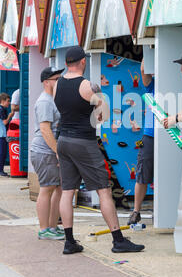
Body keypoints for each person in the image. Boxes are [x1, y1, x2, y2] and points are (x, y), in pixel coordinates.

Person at [54, 46, 145, 255]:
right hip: (83, 142)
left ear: (67, 63)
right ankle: (118, 240)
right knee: (103, 190)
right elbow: (101, 117)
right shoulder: (86, 86)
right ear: (83, 62)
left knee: (67, 192)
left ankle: (69, 242)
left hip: (63, 140)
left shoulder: (58, 84)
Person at [30, 67, 65, 241]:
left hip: (49, 151)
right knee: (47, 188)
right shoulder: (45, 101)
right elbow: (45, 129)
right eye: (56, 78)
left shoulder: (53, 100)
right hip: (44, 151)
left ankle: (52, 226)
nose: (59, 80)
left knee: (58, 189)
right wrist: (57, 151)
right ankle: (44, 229)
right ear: (46, 82)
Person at [127, 58, 154, 225]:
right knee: (142, 174)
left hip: (172, 133)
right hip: (150, 135)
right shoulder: (153, 84)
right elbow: (144, 70)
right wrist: (148, 50)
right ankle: (136, 212)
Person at [0, 93, 14, 176]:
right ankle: (0, 170)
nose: (9, 103)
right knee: (2, 153)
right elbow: (4, 122)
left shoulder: (3, 109)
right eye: (8, 101)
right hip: (1, 134)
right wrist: (10, 116)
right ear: (2, 101)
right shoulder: (1, 109)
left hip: (2, 134)